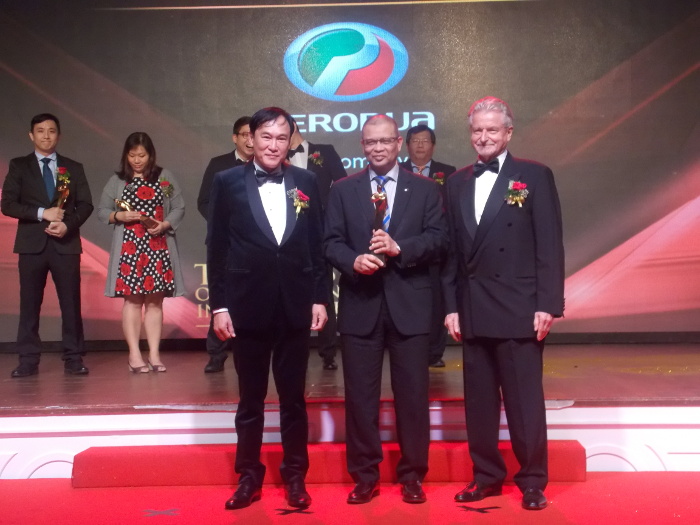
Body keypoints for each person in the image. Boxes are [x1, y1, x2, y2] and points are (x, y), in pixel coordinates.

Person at [442, 96, 564, 511]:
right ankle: (486, 477)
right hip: (473, 308)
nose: (484, 137)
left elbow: (550, 244)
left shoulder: (533, 175)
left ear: (508, 133)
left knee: (523, 402)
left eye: (492, 129)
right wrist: (451, 306)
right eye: (477, 130)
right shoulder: (456, 182)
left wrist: (548, 303)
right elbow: (452, 254)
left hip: (520, 309)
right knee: (479, 403)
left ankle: (532, 481)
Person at [207, 107, 329, 510]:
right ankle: (248, 477)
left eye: (281, 138)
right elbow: (217, 248)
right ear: (251, 138)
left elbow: (316, 245)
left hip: (295, 305)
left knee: (294, 400)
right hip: (247, 306)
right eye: (266, 136)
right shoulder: (226, 182)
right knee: (250, 400)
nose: (273, 145)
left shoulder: (306, 181)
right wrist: (219, 306)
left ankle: (295, 477)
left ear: (290, 141)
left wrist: (319, 297)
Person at [324, 115, 447, 505]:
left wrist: (401, 248)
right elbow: (330, 242)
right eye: (370, 142)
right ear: (362, 146)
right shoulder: (343, 189)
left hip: (411, 305)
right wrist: (352, 260)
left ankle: (412, 475)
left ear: (398, 144)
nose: (377, 148)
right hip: (361, 305)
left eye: (384, 141)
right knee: (360, 399)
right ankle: (365, 475)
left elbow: (440, 240)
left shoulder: (425, 189)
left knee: (413, 397)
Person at [1, 113, 93, 378]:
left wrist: (67, 225)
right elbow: (8, 204)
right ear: (31, 135)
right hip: (32, 245)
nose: (46, 136)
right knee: (29, 304)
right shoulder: (19, 166)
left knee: (71, 303)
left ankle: (74, 358)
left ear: (59, 135)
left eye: (51, 131)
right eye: (40, 131)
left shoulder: (72, 167)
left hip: (65, 243)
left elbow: (85, 204)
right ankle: (28, 360)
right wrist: (43, 213)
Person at [97, 132, 185, 373]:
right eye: (132, 155)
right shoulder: (118, 181)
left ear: (150, 155)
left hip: (157, 246)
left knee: (155, 301)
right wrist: (119, 215)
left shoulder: (163, 178)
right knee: (133, 301)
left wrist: (164, 225)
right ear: (126, 155)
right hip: (129, 248)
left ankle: (154, 354)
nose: (137, 160)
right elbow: (103, 211)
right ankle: (134, 355)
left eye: (142, 155)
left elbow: (178, 207)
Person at [288, 119, 347, 370]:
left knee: (322, 289)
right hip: (288, 236)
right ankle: (294, 348)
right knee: (291, 293)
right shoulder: (276, 159)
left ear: (293, 127)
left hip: (320, 232)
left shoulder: (324, 151)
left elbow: (343, 185)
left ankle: (328, 351)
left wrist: (325, 211)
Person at [196, 116, 252, 373]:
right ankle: (216, 354)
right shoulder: (219, 165)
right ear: (235, 138)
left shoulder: (267, 165)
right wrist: (226, 224)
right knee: (222, 297)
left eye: (253, 135)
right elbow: (204, 201)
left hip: (257, 246)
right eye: (244, 135)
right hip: (226, 243)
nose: (250, 140)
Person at [400, 124, 456, 368]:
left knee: (437, 300)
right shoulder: (398, 171)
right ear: (406, 145)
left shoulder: (449, 172)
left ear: (433, 145)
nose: (420, 145)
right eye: (415, 140)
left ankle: (435, 352)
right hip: (405, 247)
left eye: (425, 140)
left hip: (438, 246)